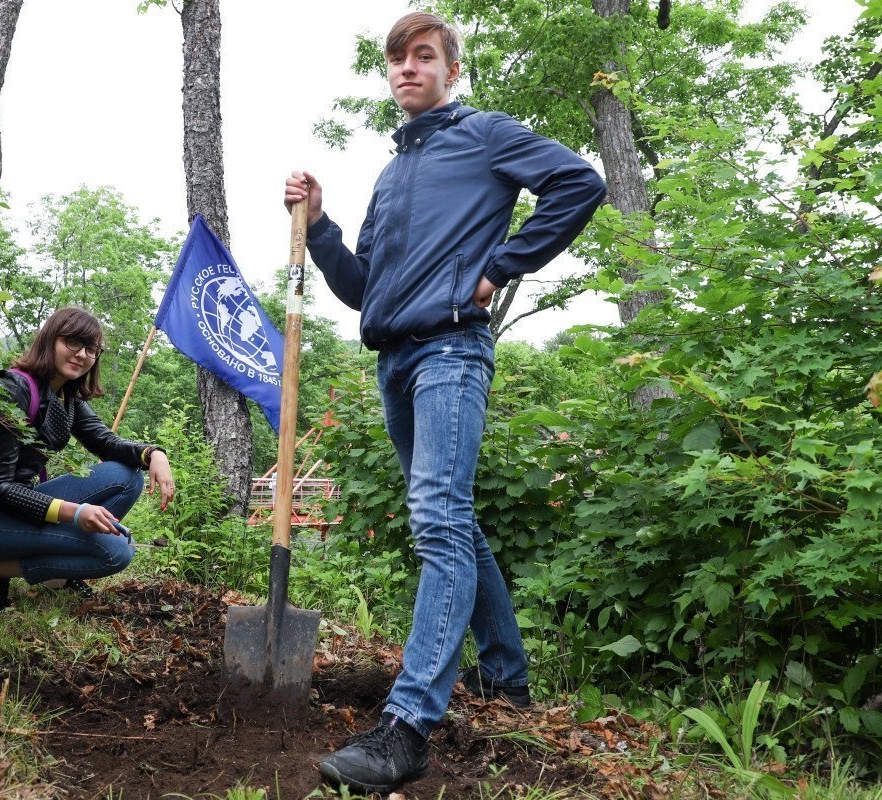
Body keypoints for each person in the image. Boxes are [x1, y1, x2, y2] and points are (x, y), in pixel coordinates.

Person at [284, 11, 607, 794]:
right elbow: (365, 288)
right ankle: (508, 681)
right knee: (454, 520)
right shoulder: (393, 175)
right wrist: (321, 227)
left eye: (423, 56)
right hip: (393, 359)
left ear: (450, 71)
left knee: (436, 521)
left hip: (452, 352)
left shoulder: (485, 134)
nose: (407, 69)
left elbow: (580, 182)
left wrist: (503, 265)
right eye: (396, 59)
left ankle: (408, 728)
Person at [0, 307, 175, 612]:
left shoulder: (65, 396)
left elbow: (104, 441)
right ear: (51, 339)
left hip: (17, 502)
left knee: (127, 476)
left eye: (92, 348)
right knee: (116, 553)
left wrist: (154, 453)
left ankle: (57, 576)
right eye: (73, 342)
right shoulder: (11, 390)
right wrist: (74, 514)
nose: (82, 354)